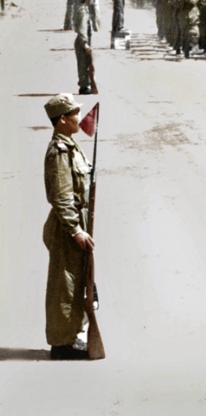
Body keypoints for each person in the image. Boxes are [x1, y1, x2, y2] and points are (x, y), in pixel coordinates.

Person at [42, 93, 93, 360]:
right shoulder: (59, 151)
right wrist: (75, 230)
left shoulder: (70, 145)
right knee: (65, 284)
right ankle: (62, 345)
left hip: (74, 220)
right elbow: (62, 196)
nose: (78, 117)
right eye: (74, 114)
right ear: (63, 119)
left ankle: (70, 336)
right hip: (66, 226)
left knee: (76, 281)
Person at [73, 0, 94, 95]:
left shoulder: (82, 8)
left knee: (85, 63)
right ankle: (83, 86)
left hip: (83, 38)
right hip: (82, 40)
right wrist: (85, 43)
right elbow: (82, 28)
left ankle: (85, 84)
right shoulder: (82, 11)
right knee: (83, 64)